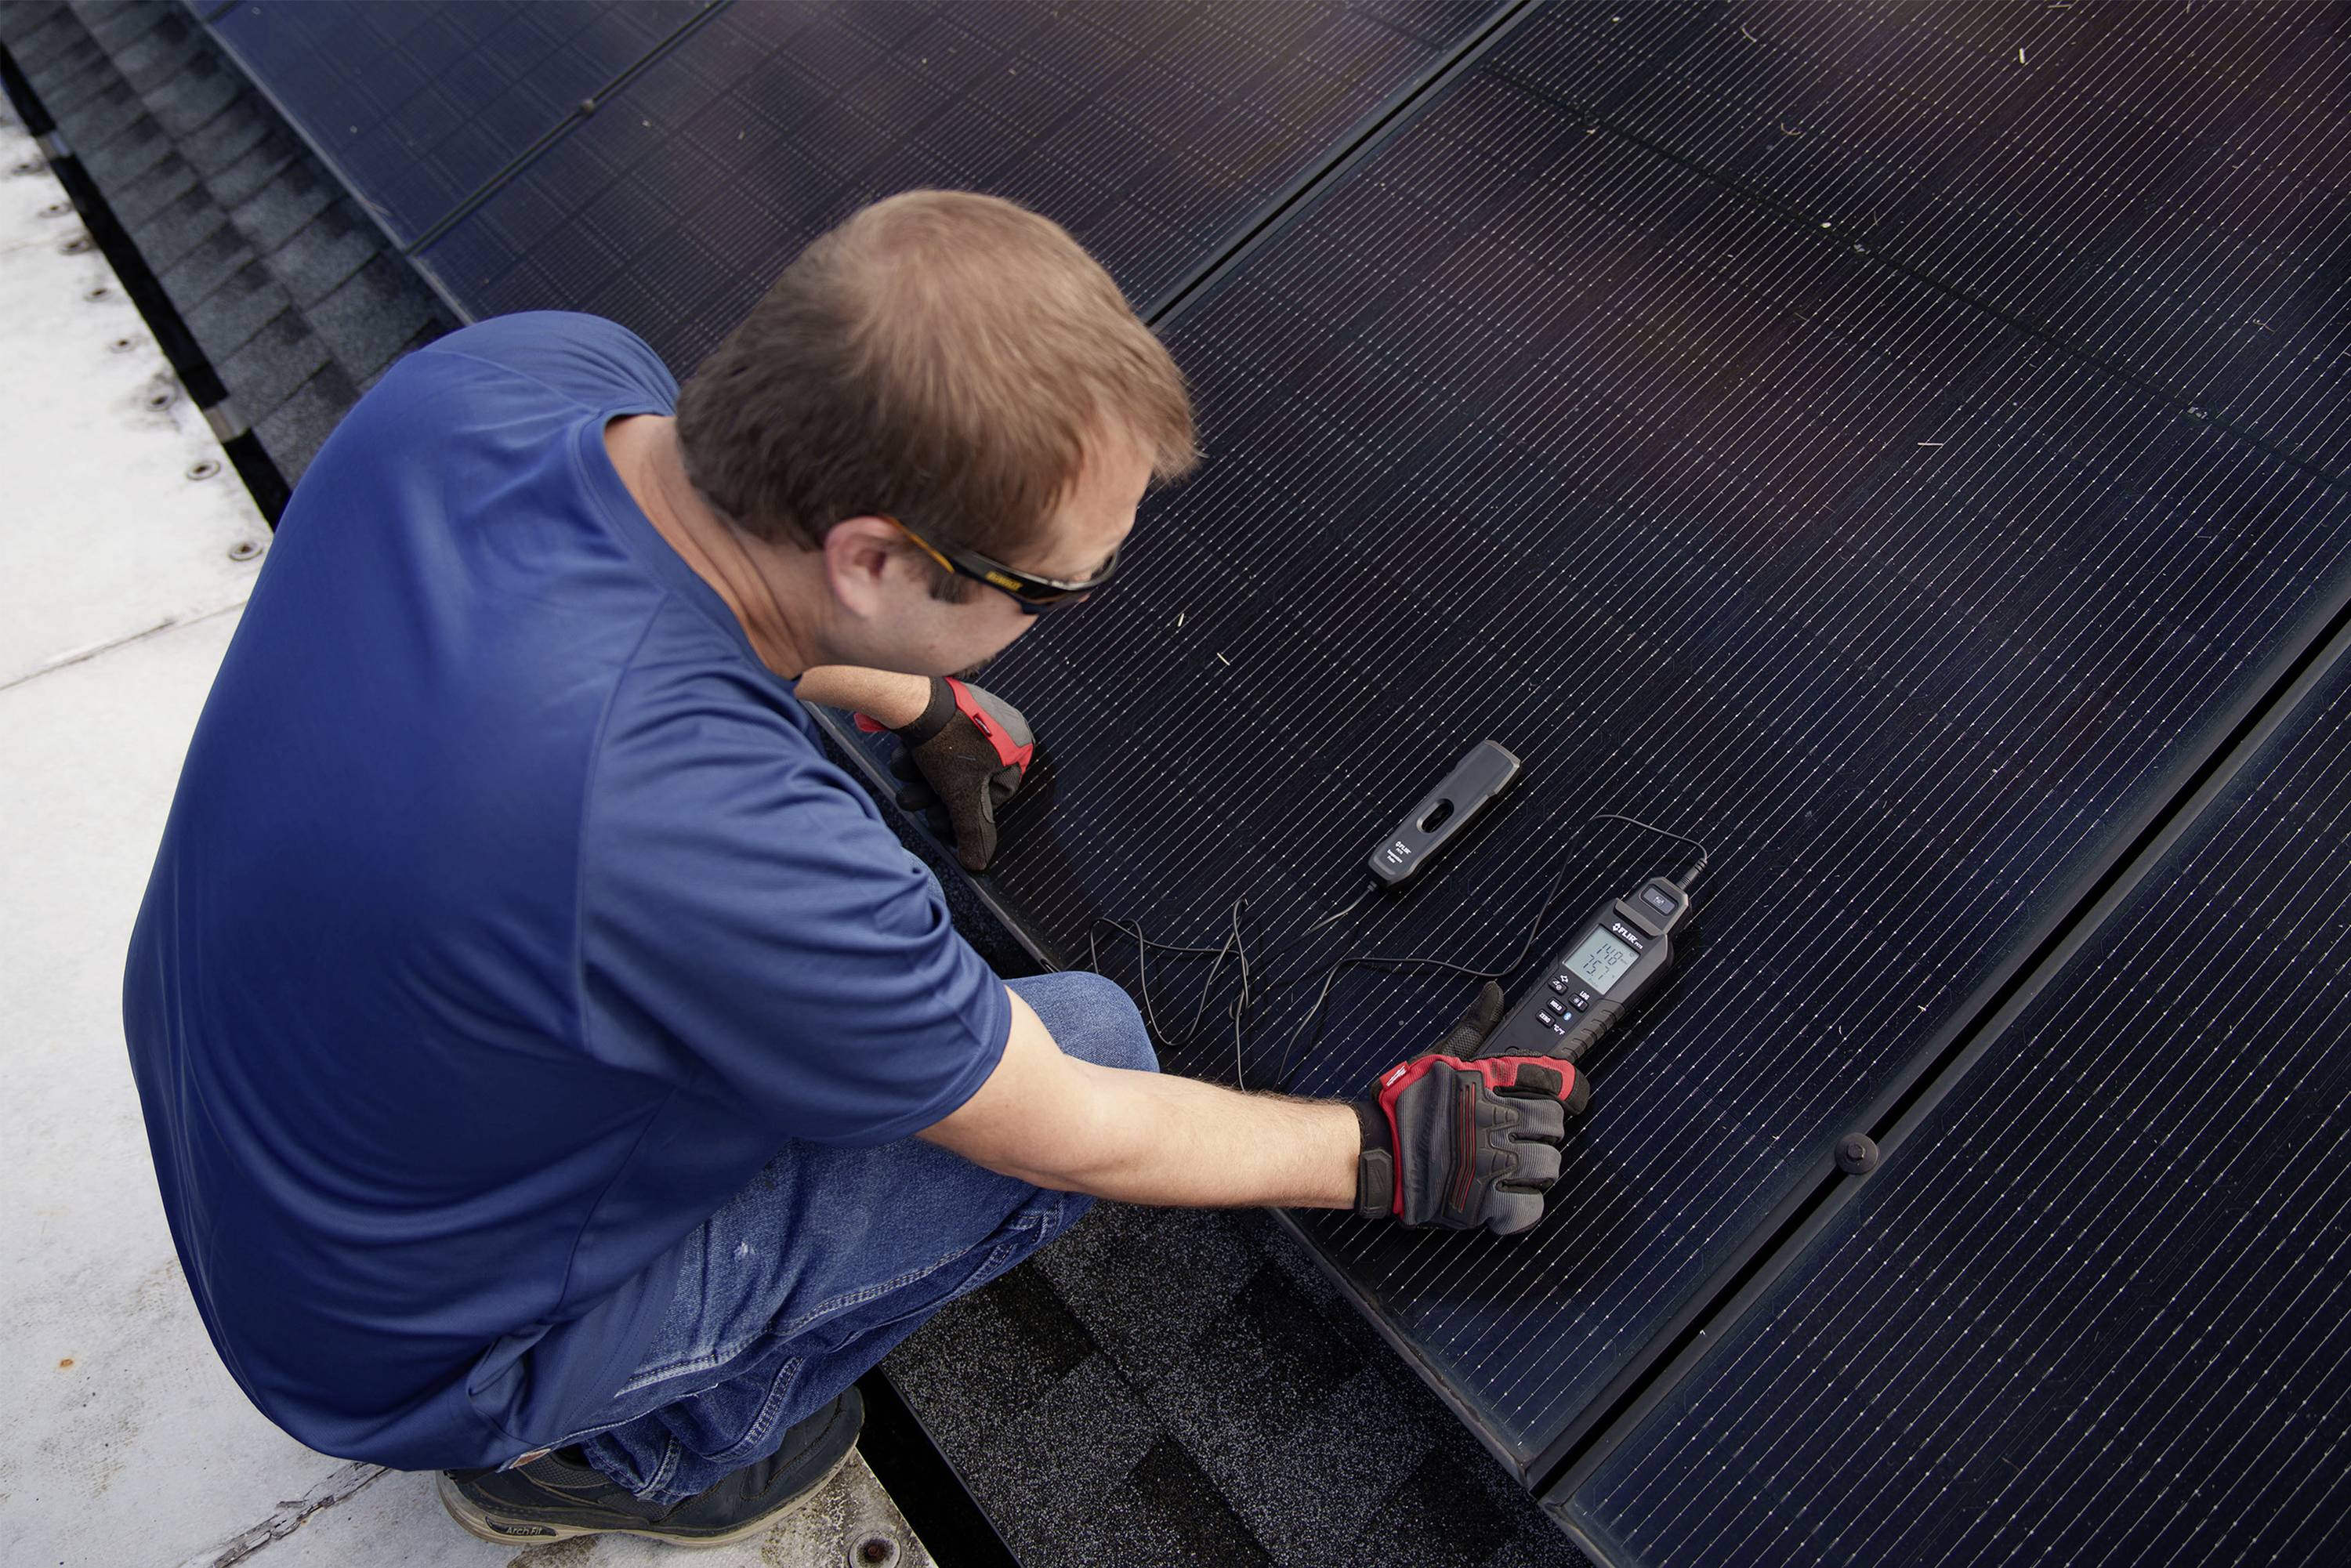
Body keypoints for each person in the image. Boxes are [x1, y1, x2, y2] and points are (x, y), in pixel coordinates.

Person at [121, 190, 1587, 1549]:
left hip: (251, 1133)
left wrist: (911, 699)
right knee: (1088, 1032)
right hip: (410, 1344)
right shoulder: (717, 840)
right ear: (878, 558)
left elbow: (691, 576)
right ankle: (595, 1451)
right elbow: (1069, 1122)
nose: (1063, 615)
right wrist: (1372, 1153)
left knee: (817, 797)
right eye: (1054, 590)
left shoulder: (514, 377)